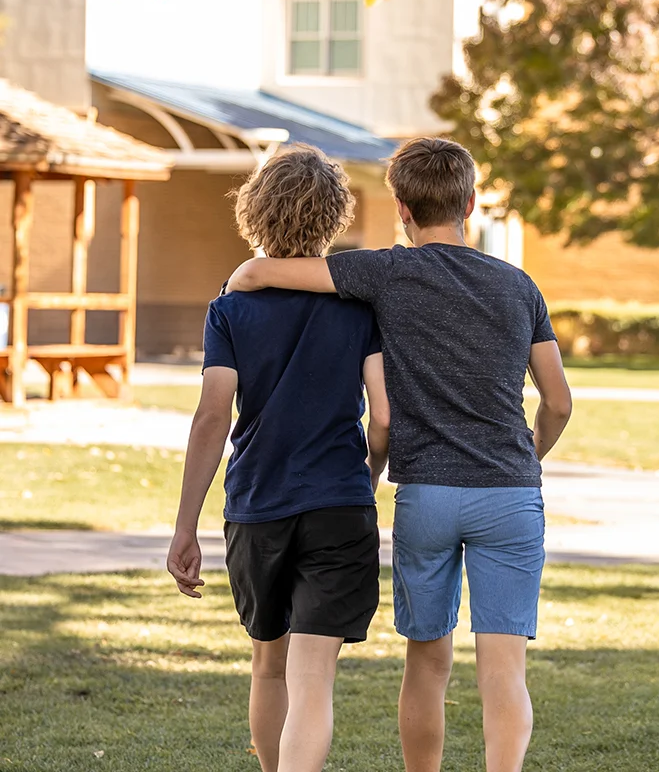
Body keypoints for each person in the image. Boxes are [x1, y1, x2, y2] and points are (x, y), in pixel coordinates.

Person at [225, 136, 573, 772]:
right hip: (510, 494)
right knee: (504, 669)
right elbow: (558, 401)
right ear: (470, 202)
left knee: (428, 661)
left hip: (427, 495)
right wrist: (530, 454)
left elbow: (267, 271)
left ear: (402, 209)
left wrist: (240, 276)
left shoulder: (386, 271)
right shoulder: (519, 286)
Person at [166, 146, 389, 772]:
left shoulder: (231, 306)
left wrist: (185, 526)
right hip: (340, 504)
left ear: (255, 209)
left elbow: (214, 415)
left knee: (269, 666)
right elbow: (386, 418)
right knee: (313, 677)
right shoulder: (359, 306)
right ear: (335, 216)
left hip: (258, 505)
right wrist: (364, 475)